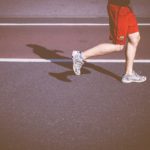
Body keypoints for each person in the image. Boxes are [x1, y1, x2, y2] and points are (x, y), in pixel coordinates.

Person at [72, 0, 147, 83]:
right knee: (118, 46)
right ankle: (81, 56)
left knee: (135, 38)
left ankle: (129, 74)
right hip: (119, 7)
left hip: (126, 8)